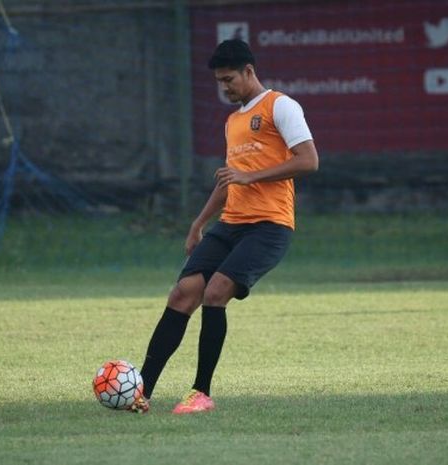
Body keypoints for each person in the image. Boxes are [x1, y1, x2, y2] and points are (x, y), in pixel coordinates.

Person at [131, 38, 319, 414]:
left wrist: (253, 178)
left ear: (249, 71)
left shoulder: (281, 106)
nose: (225, 87)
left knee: (215, 292)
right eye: (219, 81)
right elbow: (229, 180)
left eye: (229, 79)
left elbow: (309, 160)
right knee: (182, 293)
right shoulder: (233, 120)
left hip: (269, 226)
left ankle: (200, 394)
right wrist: (198, 223)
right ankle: (141, 393)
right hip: (229, 223)